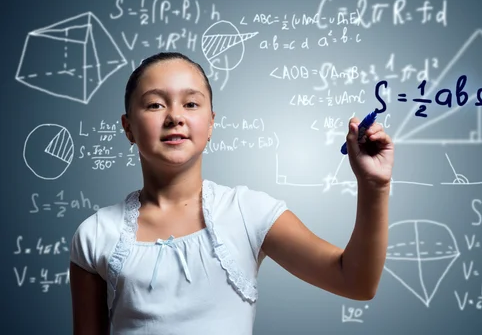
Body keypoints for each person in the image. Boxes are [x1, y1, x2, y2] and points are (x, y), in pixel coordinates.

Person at [69, 51, 394, 335]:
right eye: (155, 104)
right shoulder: (96, 234)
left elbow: (356, 282)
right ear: (128, 128)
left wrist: (374, 186)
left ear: (210, 124)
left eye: (191, 103)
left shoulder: (249, 212)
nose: (175, 117)